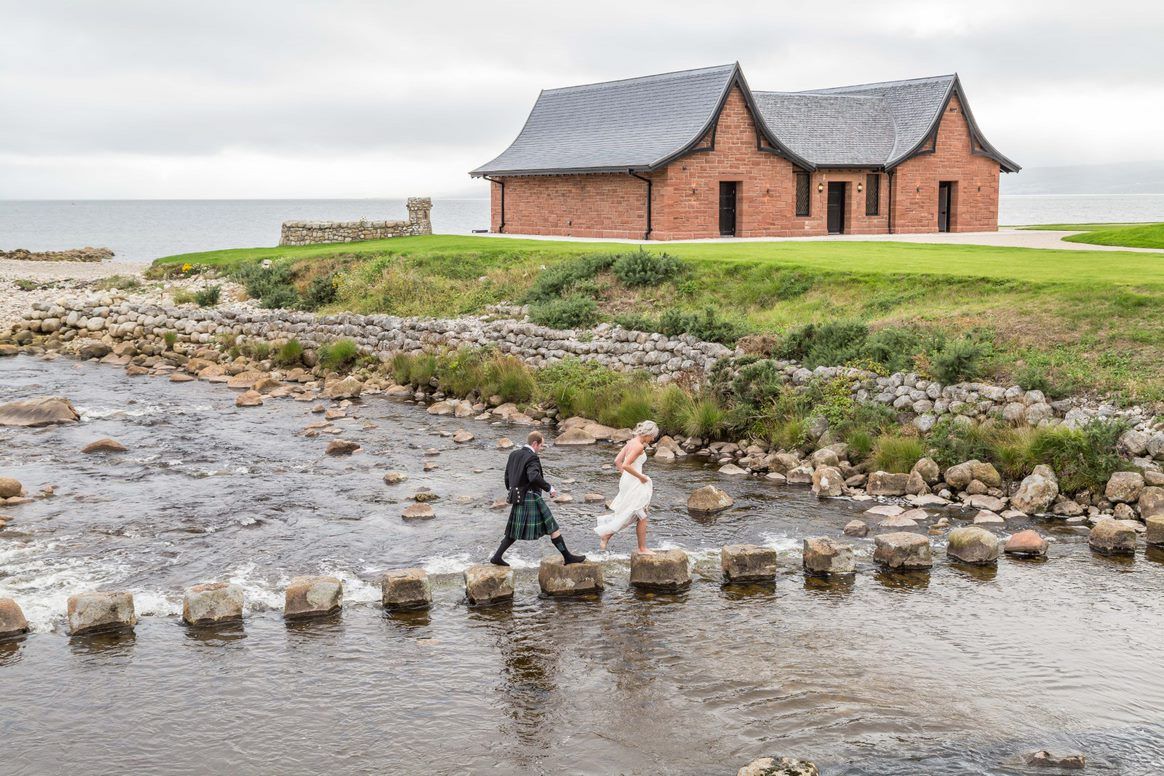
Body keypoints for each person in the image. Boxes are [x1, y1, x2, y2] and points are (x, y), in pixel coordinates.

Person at [490, 430, 587, 567]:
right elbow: (533, 476)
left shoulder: (514, 454)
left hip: (518, 496)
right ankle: (568, 557)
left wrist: (513, 491)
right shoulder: (532, 457)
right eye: (541, 445)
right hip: (531, 497)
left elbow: (507, 478)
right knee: (552, 526)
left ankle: (497, 557)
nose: (541, 449)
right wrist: (549, 488)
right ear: (535, 443)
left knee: (514, 531)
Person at [594, 420, 659, 554]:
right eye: (652, 436)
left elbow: (617, 461)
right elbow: (625, 465)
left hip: (628, 481)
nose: (652, 439)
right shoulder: (639, 447)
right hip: (635, 482)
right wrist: (640, 477)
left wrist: (627, 477)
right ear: (647, 433)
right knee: (641, 514)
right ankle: (642, 548)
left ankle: (607, 535)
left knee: (635, 512)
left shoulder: (631, 442)